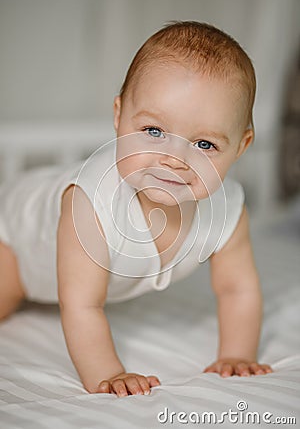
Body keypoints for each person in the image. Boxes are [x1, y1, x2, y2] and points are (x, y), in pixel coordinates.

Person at [0, 21, 273, 398]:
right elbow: (82, 304)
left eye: (205, 144)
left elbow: (237, 289)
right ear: (118, 117)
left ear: (241, 147)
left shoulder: (227, 212)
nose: (174, 160)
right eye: (154, 131)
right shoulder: (90, 203)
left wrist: (237, 355)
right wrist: (108, 374)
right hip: (15, 240)